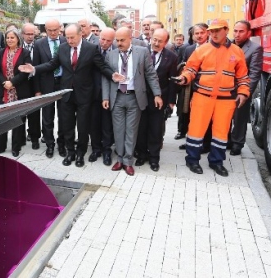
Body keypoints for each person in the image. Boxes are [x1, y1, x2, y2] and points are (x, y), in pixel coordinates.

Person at [19, 23, 114, 168]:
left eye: (72, 38)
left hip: (84, 95)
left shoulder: (91, 48)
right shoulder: (63, 48)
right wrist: (34, 69)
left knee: (82, 127)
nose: (69, 41)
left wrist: (113, 75)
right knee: (67, 125)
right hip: (67, 94)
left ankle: (80, 153)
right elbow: (52, 64)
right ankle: (70, 152)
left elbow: (102, 67)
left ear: (80, 34)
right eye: (67, 37)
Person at [176, 18, 250, 177]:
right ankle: (192, 160)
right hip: (202, 96)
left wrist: (243, 93)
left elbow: (243, 77)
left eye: (217, 30)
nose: (213, 34)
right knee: (196, 129)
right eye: (212, 30)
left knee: (221, 132)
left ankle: (216, 161)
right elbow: (190, 69)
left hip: (226, 100)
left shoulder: (237, 51)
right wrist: (184, 77)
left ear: (226, 30)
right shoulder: (202, 49)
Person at [101, 27, 163, 176]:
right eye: (117, 40)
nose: (119, 43)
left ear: (130, 39)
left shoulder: (142, 52)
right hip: (117, 97)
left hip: (135, 97)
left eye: (122, 40)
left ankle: (128, 161)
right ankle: (120, 159)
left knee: (131, 130)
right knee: (118, 130)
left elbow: (151, 74)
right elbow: (106, 77)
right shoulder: (111, 55)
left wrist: (157, 94)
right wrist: (105, 97)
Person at [134, 28, 178, 172]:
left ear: (166, 42)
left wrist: (171, 101)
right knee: (141, 128)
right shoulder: (140, 52)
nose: (156, 43)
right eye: (155, 39)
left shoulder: (171, 57)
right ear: (151, 38)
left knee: (155, 130)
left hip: (160, 99)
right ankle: (141, 155)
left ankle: (154, 158)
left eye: (160, 41)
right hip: (141, 97)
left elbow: (172, 81)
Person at [0, 29, 32, 156]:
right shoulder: (0, 53)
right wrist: (5, 82)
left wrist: (13, 82)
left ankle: (16, 147)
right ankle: (0, 146)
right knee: (2, 119)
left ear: (18, 39)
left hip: (19, 90)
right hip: (3, 90)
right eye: (7, 38)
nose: (9, 40)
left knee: (17, 119)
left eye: (12, 38)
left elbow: (26, 71)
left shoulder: (25, 53)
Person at [32, 18, 66, 158]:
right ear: (45, 30)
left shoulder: (66, 41)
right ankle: (50, 144)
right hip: (46, 84)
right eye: (49, 30)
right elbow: (35, 68)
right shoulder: (39, 44)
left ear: (60, 28)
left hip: (63, 83)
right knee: (47, 116)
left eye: (55, 30)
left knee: (64, 116)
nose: (53, 33)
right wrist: (37, 90)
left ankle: (62, 144)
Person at [229, 20, 263, 155]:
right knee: (225, 117)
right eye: (235, 31)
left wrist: (245, 92)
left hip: (241, 89)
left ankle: (237, 144)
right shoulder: (227, 45)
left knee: (240, 118)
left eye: (241, 31)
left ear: (248, 33)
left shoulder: (255, 48)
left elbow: (254, 73)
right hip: (224, 88)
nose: (237, 34)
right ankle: (226, 140)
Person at [175, 23, 209, 141]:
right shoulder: (188, 49)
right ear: (193, 35)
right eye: (196, 33)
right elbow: (183, 65)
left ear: (207, 33)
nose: (199, 36)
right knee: (187, 112)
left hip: (204, 87)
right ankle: (188, 137)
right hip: (188, 86)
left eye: (202, 33)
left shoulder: (212, 48)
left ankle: (202, 141)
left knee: (201, 116)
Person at [89, 27, 116, 166]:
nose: (104, 42)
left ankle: (107, 150)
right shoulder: (91, 49)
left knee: (107, 124)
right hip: (93, 93)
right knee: (93, 123)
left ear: (113, 40)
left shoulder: (117, 51)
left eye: (108, 40)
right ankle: (95, 149)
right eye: (102, 39)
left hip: (110, 93)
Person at [21, 23, 41, 150]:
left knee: (34, 113)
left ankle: (35, 138)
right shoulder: (18, 47)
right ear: (22, 34)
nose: (30, 37)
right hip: (21, 83)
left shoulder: (39, 46)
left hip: (35, 82)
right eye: (27, 34)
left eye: (32, 34)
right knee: (21, 112)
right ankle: (20, 138)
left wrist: (38, 89)